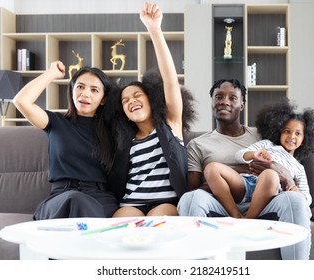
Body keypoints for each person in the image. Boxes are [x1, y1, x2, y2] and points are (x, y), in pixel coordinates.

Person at [177, 78, 314, 260]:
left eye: (232, 98)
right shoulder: (197, 144)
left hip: (265, 200)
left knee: (295, 200)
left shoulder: (263, 136)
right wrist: (236, 173)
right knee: (190, 199)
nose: (224, 101)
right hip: (221, 201)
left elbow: (284, 155)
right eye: (218, 97)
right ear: (212, 102)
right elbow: (193, 190)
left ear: (242, 105)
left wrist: (285, 177)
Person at [108, 2, 196, 217]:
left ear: (152, 99)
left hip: (165, 202)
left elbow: (170, 81)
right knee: (117, 228)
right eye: (125, 100)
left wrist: (154, 30)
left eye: (137, 95)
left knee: (157, 224)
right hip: (131, 202)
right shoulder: (124, 139)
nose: (131, 101)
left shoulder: (170, 124)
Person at [13, 62, 119, 219]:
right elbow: (21, 101)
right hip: (61, 197)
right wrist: (51, 73)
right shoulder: (55, 122)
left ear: (103, 99)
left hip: (100, 199)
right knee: (74, 200)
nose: (85, 94)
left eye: (94, 90)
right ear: (72, 90)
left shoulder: (112, 130)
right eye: (80, 87)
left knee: (82, 204)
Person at [203, 99, 314, 219]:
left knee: (270, 175)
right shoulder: (267, 144)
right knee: (211, 168)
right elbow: (240, 154)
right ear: (279, 132)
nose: (291, 137)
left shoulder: (298, 167)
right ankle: (235, 215)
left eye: (297, 134)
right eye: (287, 131)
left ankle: (249, 219)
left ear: (305, 139)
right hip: (245, 184)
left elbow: (307, 197)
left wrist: (296, 191)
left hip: (269, 190)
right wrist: (254, 155)